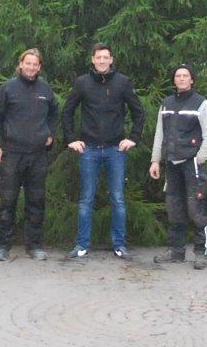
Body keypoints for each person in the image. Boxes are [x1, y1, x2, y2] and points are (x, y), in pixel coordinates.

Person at [62, 42, 145, 260]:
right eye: (98, 57)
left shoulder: (122, 83)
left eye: (105, 57)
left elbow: (139, 112)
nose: (101, 61)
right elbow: (67, 112)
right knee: (86, 198)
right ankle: (81, 245)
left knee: (117, 198)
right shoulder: (82, 83)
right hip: (88, 150)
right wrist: (71, 139)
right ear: (92, 59)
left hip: (115, 150)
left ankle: (119, 245)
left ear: (111, 60)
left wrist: (133, 138)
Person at [0, 48, 58, 262]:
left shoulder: (45, 89)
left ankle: (34, 246)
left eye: (35, 64)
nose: (31, 67)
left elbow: (55, 113)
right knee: (7, 201)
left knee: (36, 201)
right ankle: (1, 245)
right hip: (12, 154)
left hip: (37, 155)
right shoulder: (8, 88)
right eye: (28, 63)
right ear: (21, 64)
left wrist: (50, 133)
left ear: (39, 67)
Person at [150, 64, 207, 270]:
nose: (181, 79)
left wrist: (199, 159)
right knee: (174, 209)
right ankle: (176, 251)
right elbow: (159, 134)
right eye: (178, 76)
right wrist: (155, 160)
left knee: (195, 209)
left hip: (192, 165)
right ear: (174, 80)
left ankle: (200, 252)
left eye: (185, 76)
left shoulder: (202, 104)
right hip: (171, 163)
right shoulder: (167, 103)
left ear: (192, 80)